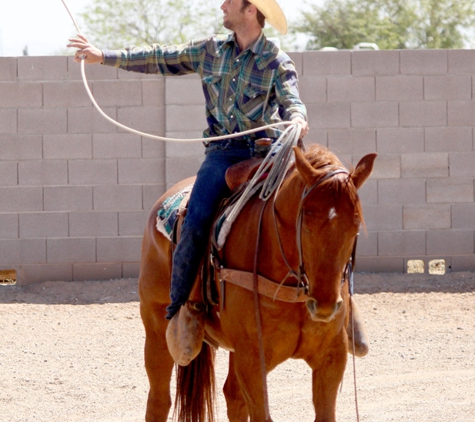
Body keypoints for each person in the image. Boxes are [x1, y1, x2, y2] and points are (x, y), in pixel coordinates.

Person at [68, 0, 367, 362]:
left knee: (322, 217)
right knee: (194, 220)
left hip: (267, 152)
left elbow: (292, 100)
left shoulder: (275, 60)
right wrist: (103, 56)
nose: (221, 5)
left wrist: (298, 119)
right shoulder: (210, 51)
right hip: (222, 156)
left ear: (250, 10)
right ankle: (183, 308)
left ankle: (345, 304)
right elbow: (162, 57)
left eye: (229, 1)